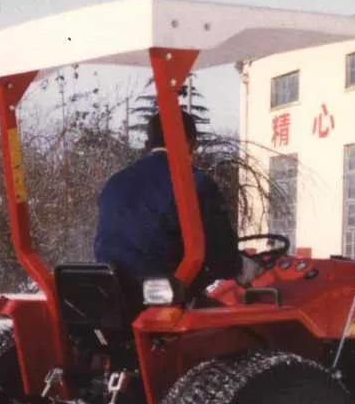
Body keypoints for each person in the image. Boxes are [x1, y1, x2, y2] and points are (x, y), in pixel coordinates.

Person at [93, 110, 245, 292]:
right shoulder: (193, 184)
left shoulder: (114, 183)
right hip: (161, 297)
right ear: (191, 142)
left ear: (148, 143)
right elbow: (222, 256)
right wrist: (243, 267)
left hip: (112, 296)